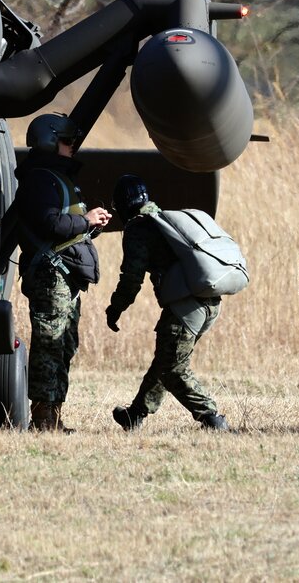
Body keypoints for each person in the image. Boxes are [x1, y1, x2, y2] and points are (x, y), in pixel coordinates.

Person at [106, 175, 231, 431]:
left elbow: (131, 278)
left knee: (173, 367)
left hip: (186, 308)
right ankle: (136, 414)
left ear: (123, 204)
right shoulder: (165, 219)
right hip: (209, 303)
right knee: (166, 358)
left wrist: (115, 308)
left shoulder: (139, 228)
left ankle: (211, 416)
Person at [15, 113, 110, 432]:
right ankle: (42, 417)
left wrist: (89, 226)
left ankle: (53, 414)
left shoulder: (55, 177)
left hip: (64, 274)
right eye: (67, 141)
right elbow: (50, 222)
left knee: (64, 342)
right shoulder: (41, 178)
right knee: (50, 341)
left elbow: (62, 226)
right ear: (50, 142)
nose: (72, 147)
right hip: (51, 274)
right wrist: (87, 221)